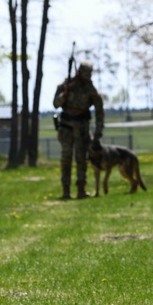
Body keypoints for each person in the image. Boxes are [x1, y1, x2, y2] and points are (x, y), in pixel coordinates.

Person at [53, 59, 104, 200]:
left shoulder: (91, 90)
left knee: (82, 159)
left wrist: (98, 132)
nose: (87, 76)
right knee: (66, 158)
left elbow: (100, 111)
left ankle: (81, 189)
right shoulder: (65, 86)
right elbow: (56, 104)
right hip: (66, 128)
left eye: (89, 73)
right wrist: (64, 95)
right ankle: (66, 190)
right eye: (85, 73)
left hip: (82, 129)